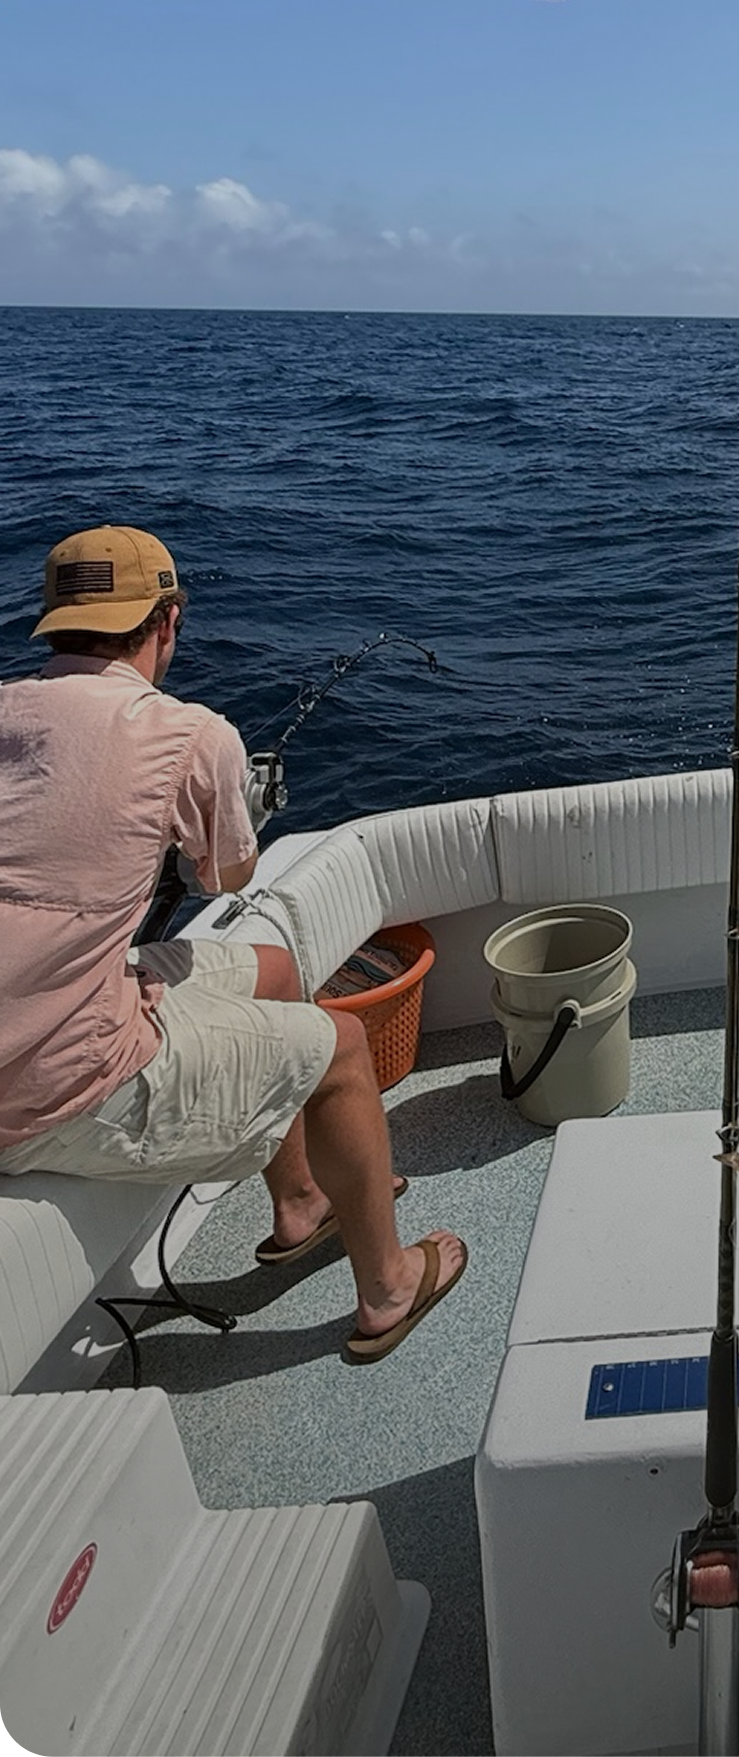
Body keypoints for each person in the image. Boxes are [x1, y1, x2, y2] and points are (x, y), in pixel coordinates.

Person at [0, 525, 467, 1363]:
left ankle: (300, 1203)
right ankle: (390, 1283)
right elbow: (226, 877)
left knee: (278, 969)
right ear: (167, 621)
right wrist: (234, 798)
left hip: (46, 1009)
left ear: (53, 625)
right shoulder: (189, 734)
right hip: (52, 1083)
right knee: (344, 1046)